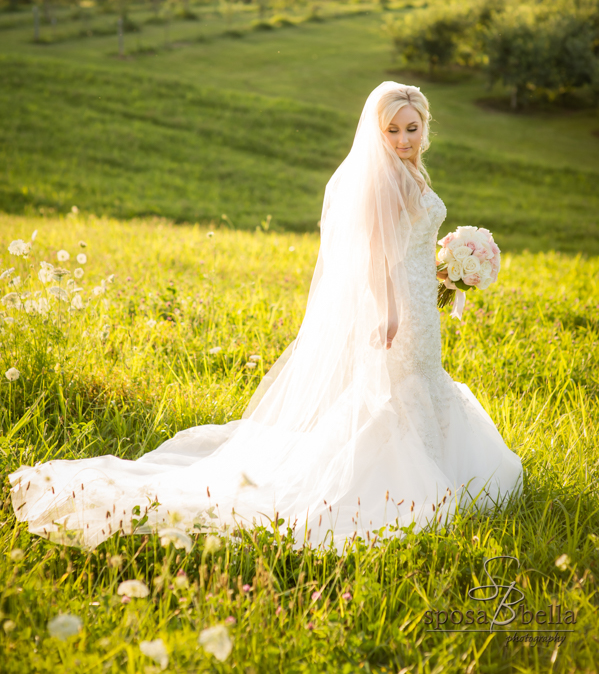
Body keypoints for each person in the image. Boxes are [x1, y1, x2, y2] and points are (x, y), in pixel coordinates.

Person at [10, 82, 522, 551]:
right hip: (400, 312)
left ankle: (437, 467)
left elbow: (408, 248)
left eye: (413, 128)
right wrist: (388, 313)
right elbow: (374, 258)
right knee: (396, 390)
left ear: (425, 128)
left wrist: (445, 266)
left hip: (420, 299)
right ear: (377, 131)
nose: (404, 139)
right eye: (393, 130)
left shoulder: (412, 173)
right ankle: (396, 482)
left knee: (421, 382)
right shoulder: (383, 181)